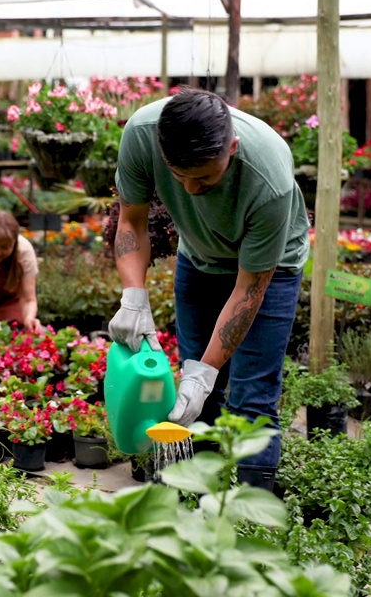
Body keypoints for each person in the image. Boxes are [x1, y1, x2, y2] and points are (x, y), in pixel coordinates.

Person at [109, 88, 310, 491]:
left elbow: (250, 288)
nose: (188, 189)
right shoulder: (141, 134)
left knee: (251, 401)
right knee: (193, 400)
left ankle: (253, 525)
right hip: (198, 258)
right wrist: (134, 297)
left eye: (203, 177)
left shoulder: (269, 178)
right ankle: (190, 508)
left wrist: (206, 371)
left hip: (270, 270)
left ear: (232, 148)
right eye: (177, 174)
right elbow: (131, 221)